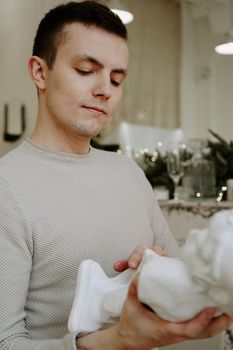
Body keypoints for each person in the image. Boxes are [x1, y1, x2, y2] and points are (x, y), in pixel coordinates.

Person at [0, 1, 232, 349]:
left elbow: (186, 275)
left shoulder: (128, 172)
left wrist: (157, 269)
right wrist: (116, 340)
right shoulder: (8, 186)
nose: (105, 90)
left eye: (116, 78)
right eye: (84, 70)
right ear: (39, 72)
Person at [68, 209, 233, 334]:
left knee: (119, 300)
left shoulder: (179, 284)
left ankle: (98, 306)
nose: (193, 234)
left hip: (120, 306)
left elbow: (144, 293)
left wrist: (153, 263)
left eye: (202, 245)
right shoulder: (204, 290)